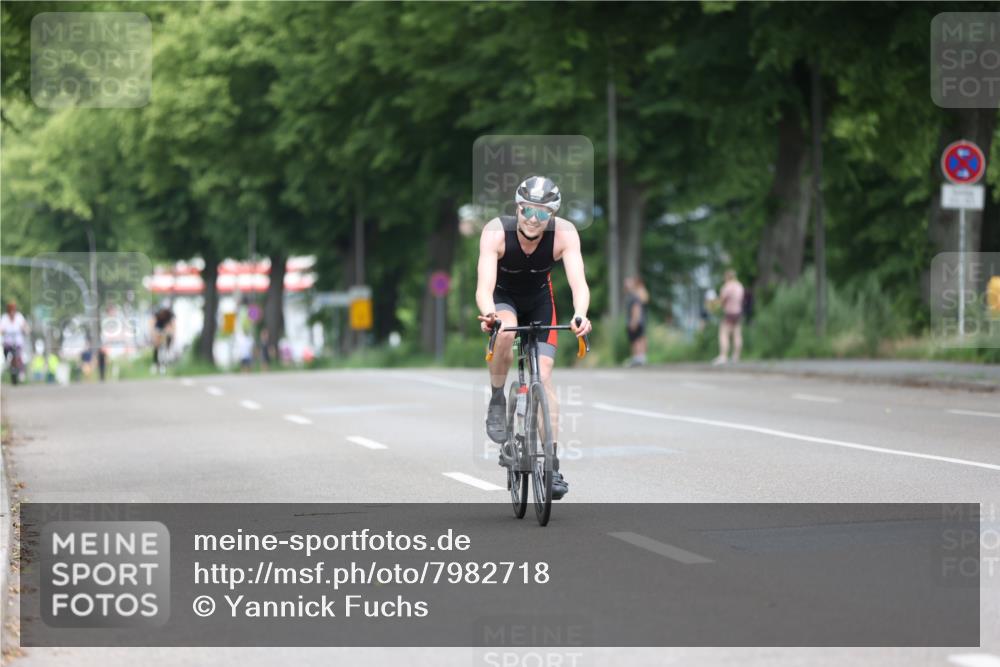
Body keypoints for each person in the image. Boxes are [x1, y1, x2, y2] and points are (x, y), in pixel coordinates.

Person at [475, 176, 593, 501]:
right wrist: (490, 315)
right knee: (506, 331)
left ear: (552, 215)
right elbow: (484, 287)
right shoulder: (496, 231)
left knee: (546, 376)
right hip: (504, 300)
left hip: (540, 301)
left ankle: (551, 466)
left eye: (542, 213)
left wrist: (580, 315)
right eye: (527, 210)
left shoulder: (564, 234)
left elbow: (579, 284)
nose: (533, 218)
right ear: (517, 207)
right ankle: (497, 398)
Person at [714, 269, 745, 365]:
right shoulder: (740, 286)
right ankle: (736, 356)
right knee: (737, 334)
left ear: (727, 277)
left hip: (729, 313)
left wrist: (715, 305)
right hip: (738, 312)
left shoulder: (727, 287)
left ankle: (723, 356)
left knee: (723, 334)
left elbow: (722, 301)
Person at [1, 301, 29, 383]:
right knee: (6, 354)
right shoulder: (4, 318)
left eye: (13, 310)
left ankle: (21, 371)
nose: (12, 313)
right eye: (10, 311)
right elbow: (1, 328)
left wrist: (26, 329)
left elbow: (25, 326)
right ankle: (7, 364)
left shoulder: (19, 317)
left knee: (19, 355)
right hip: (8, 343)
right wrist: (2, 331)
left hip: (17, 342)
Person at [624, 276, 649, 366]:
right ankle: (638, 357)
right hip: (637, 320)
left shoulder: (634, 296)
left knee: (637, 339)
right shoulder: (632, 295)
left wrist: (634, 321)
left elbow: (636, 308)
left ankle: (639, 357)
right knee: (636, 339)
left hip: (636, 321)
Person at [150, 301, 176, 371]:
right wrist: (153, 334)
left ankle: (165, 361)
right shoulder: (157, 313)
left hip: (166, 329)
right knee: (156, 345)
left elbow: (173, 325)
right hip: (158, 328)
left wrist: (172, 334)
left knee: (167, 343)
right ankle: (155, 363)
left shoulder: (170, 314)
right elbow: (152, 323)